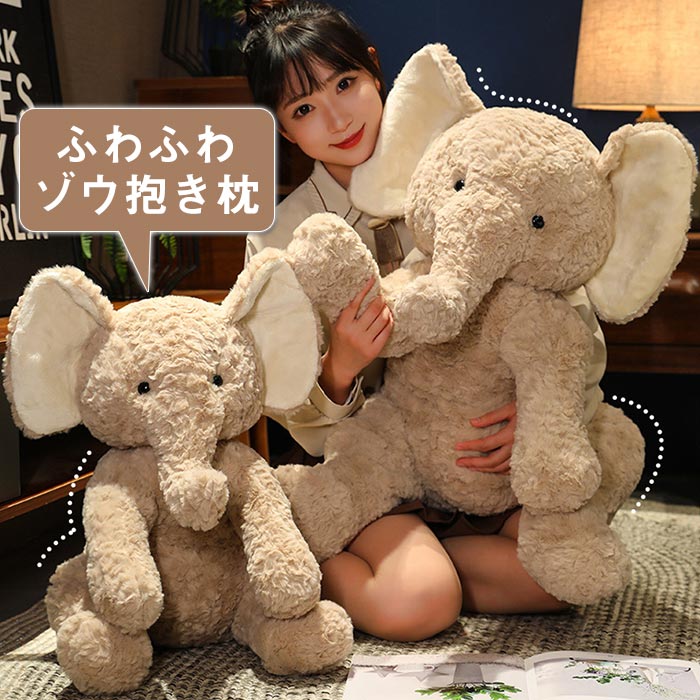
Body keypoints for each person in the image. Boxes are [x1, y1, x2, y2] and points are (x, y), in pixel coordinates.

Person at [241, 0, 605, 641]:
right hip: (380, 469)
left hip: (486, 462)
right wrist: (341, 366)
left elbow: (571, 317)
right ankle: (313, 566)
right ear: (283, 129)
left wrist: (544, 415)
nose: (336, 118)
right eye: (303, 109)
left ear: (374, 70)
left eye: (345, 84)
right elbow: (279, 401)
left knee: (567, 572)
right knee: (419, 607)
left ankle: (435, 563)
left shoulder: (470, 165)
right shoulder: (278, 237)